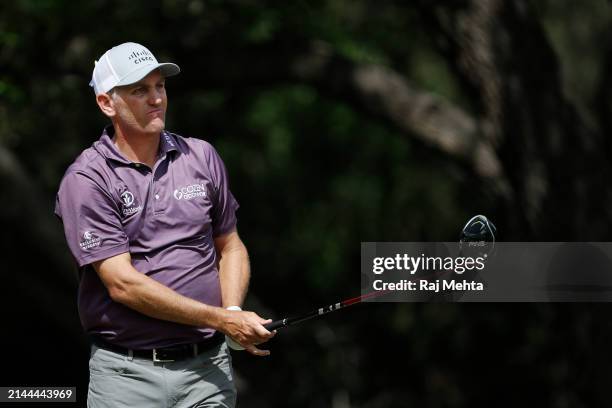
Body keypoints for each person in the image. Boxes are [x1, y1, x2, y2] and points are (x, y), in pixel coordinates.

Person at [54, 42, 274, 408]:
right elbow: (122, 285)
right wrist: (221, 319)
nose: (156, 98)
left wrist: (232, 311)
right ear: (107, 103)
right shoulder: (87, 179)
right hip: (127, 377)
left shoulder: (200, 155)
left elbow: (230, 245)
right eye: (140, 90)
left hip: (208, 370)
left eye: (160, 86)